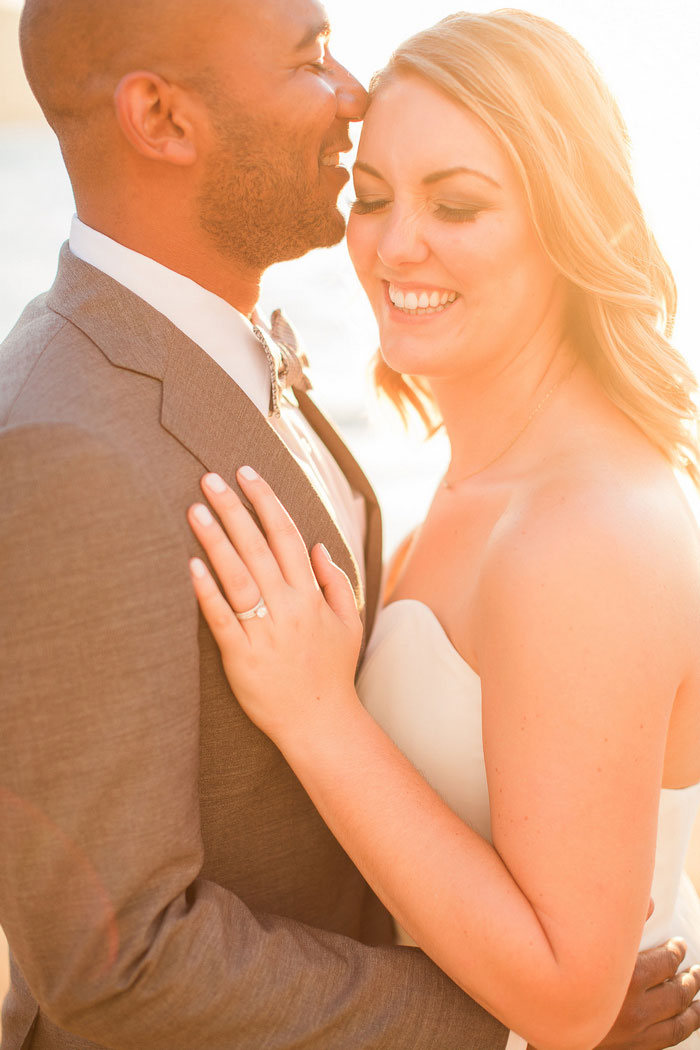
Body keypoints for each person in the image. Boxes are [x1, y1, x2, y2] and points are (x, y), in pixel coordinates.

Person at [0, 0, 696, 1046]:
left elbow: (565, 980)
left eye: (456, 205)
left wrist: (321, 716)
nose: (392, 242)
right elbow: (110, 954)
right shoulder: (77, 440)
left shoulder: (586, 531)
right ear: (161, 117)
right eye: (373, 196)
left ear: (567, 217)